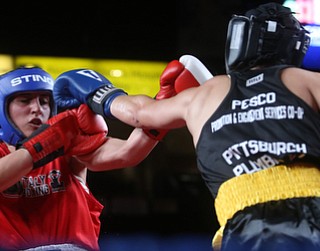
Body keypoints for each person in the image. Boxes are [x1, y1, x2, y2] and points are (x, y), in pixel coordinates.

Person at [53, 2, 320, 251]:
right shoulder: (306, 80)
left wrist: (98, 92)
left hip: (244, 221)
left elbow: (139, 114)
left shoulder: (205, 93)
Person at [0, 63, 190, 250]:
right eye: (24, 100)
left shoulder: (66, 146)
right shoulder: (55, 139)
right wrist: (48, 141)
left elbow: (128, 153)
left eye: (44, 101)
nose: (37, 109)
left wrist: (162, 110)